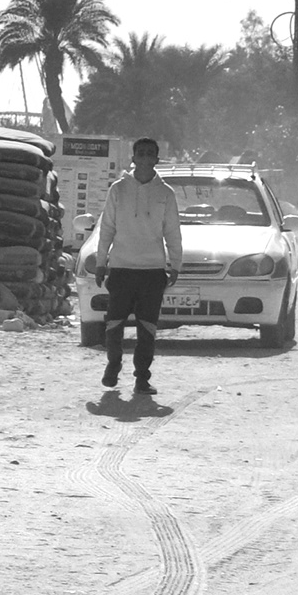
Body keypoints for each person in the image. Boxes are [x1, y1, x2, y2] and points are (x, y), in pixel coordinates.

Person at [80, 135, 186, 399]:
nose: (146, 159)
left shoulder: (166, 193)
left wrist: (175, 264)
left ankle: (142, 380)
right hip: (122, 269)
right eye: (141, 154)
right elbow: (107, 229)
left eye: (151, 154)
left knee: (147, 328)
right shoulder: (118, 189)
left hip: (152, 271)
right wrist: (102, 263)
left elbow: (172, 231)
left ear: (157, 159)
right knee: (114, 324)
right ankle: (113, 365)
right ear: (134, 158)